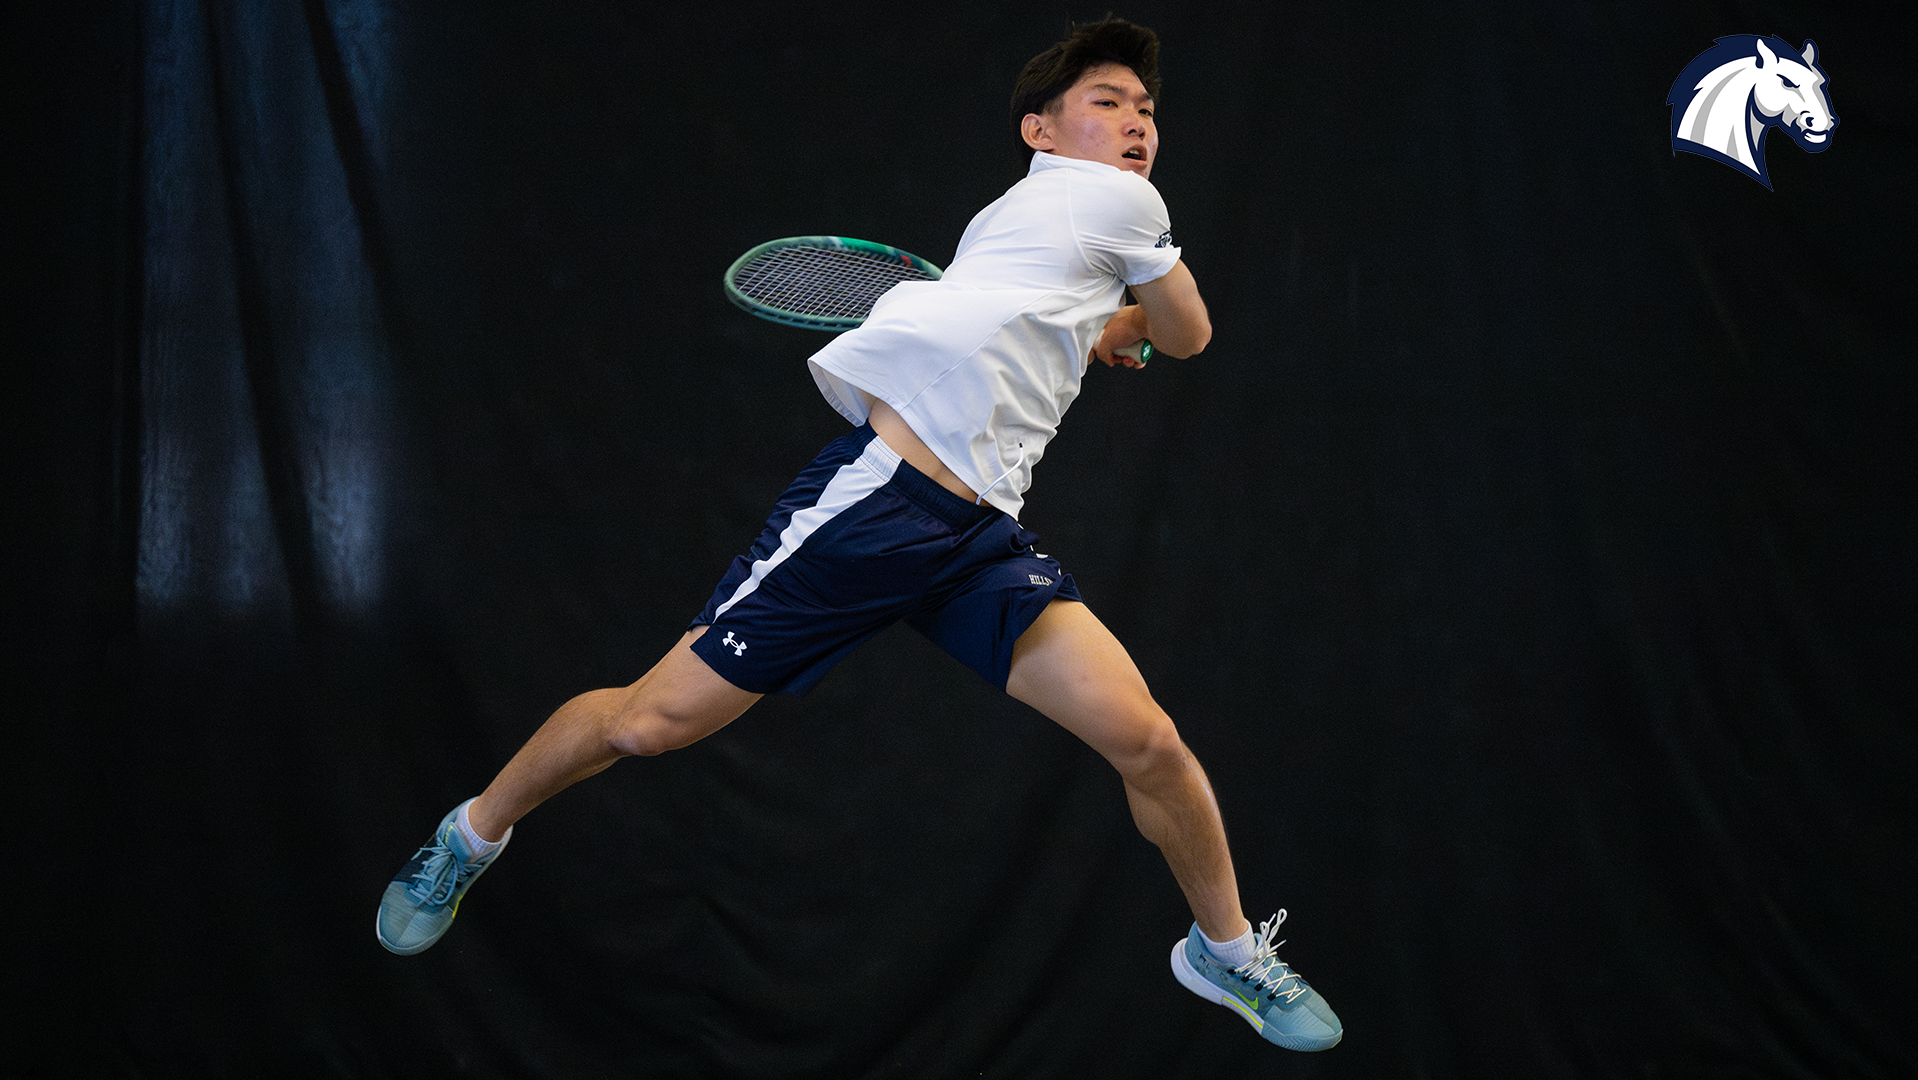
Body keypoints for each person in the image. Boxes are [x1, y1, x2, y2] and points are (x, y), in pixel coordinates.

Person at [376, 16, 1342, 1053]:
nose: (1137, 122)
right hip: (873, 512)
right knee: (642, 727)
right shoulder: (1113, 201)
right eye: (1107, 103)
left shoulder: (1024, 238)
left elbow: (1035, 315)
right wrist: (1139, 323)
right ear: (1041, 132)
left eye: (1146, 110)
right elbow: (1190, 332)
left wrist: (1107, 325)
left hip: (978, 541)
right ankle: (468, 835)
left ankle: (1225, 952)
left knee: (1147, 741)